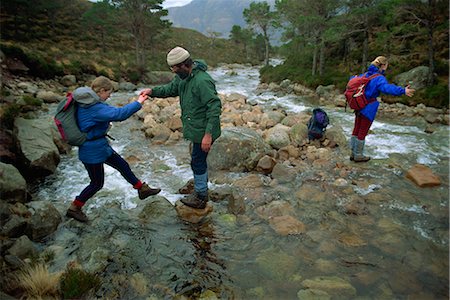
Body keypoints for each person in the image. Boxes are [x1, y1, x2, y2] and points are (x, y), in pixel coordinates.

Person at [66, 76, 161, 222]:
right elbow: (119, 115)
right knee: (96, 183)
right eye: (108, 92)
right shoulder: (93, 107)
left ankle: (142, 189)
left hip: (100, 147)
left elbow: (112, 110)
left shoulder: (89, 103)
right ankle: (74, 207)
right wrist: (139, 102)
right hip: (92, 151)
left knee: (122, 165)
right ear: (102, 90)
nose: (110, 95)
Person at [140, 46, 222, 209]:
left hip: (203, 129)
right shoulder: (182, 77)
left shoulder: (202, 81)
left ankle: (201, 197)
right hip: (195, 128)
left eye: (175, 68)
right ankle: (201, 190)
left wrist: (208, 135)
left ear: (184, 64)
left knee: (197, 162)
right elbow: (170, 89)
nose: (174, 72)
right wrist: (152, 91)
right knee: (197, 160)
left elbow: (214, 107)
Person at [350, 56, 415, 162]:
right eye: (387, 65)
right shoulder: (379, 78)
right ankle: (358, 155)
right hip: (368, 107)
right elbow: (387, 88)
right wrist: (403, 90)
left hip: (359, 105)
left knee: (356, 129)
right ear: (383, 66)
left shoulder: (365, 75)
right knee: (362, 131)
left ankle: (353, 153)